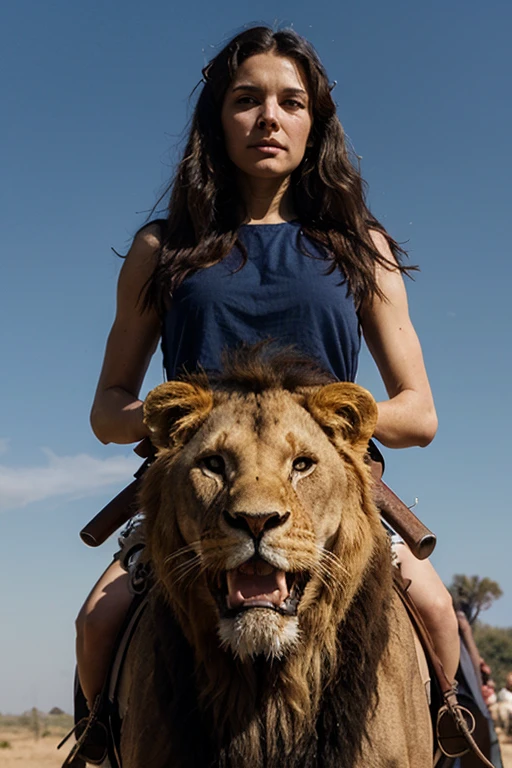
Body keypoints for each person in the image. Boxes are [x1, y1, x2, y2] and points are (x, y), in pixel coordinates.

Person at [75, 25, 459, 710]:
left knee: (433, 610)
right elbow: (108, 409)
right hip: (198, 493)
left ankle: (456, 732)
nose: (269, 118)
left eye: (292, 101)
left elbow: (420, 413)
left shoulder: (359, 248)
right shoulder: (161, 247)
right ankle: (102, 742)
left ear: (316, 122)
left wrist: (324, 419)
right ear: (217, 119)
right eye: (247, 100)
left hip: (328, 491)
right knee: (96, 623)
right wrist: (186, 419)